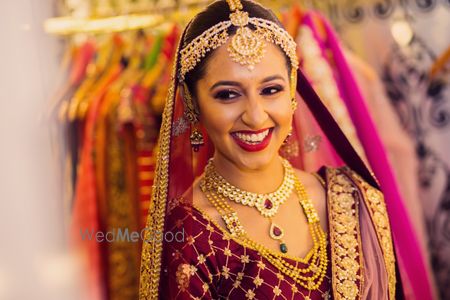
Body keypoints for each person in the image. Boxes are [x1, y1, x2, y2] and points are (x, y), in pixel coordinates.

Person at [139, 0, 431, 299]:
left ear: (292, 89)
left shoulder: (352, 197)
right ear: (192, 102)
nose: (255, 115)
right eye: (228, 94)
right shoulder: (188, 236)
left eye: (270, 90)